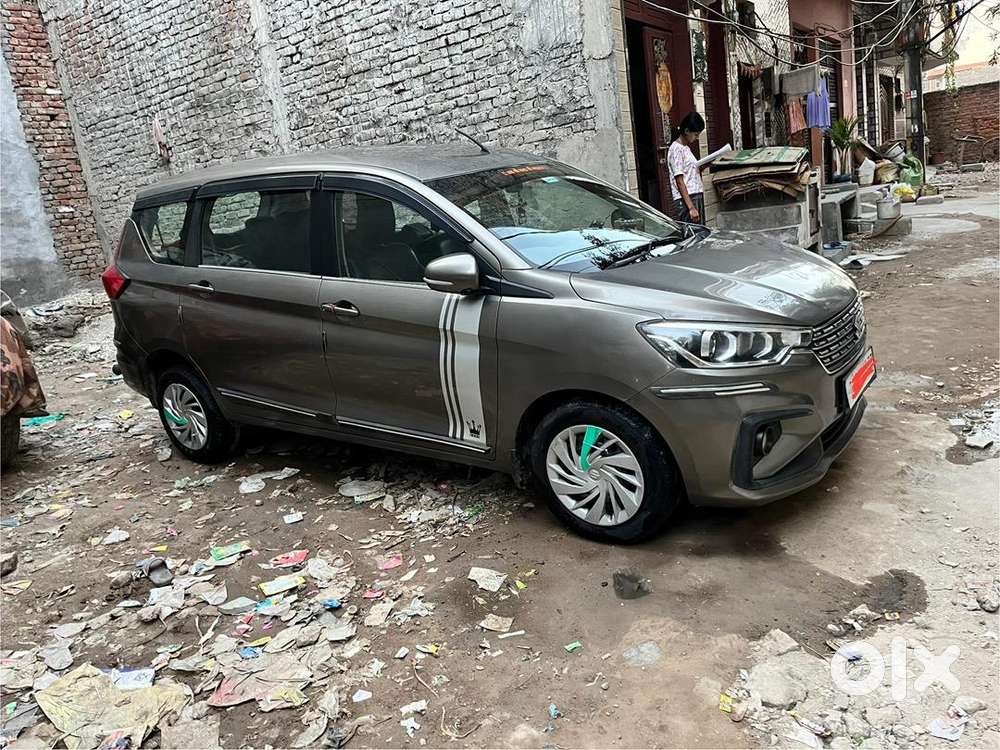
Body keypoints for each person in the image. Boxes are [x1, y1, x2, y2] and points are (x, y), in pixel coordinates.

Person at [667, 111, 706, 224]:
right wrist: (691, 208)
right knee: (693, 235)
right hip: (687, 198)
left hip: (695, 194)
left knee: (701, 232)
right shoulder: (676, 149)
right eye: (696, 134)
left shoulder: (686, 148)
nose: (697, 138)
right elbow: (679, 181)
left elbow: (690, 172)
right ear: (687, 131)